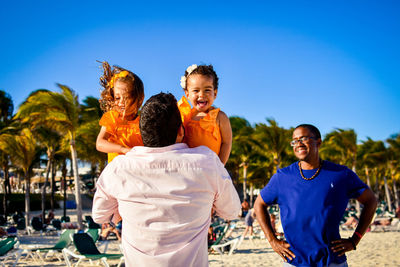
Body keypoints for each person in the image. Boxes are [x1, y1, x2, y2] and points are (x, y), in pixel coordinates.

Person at [92, 92, 241, 267]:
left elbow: (100, 215)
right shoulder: (207, 162)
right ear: (180, 131)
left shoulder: (119, 168)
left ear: (142, 132)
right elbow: (232, 211)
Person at [254, 124, 377, 267]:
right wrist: (272, 241)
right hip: (294, 261)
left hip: (332, 261)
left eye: (303, 138)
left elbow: (371, 200)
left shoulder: (341, 175)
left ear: (318, 142)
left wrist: (355, 239)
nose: (298, 144)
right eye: (294, 140)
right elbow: (259, 204)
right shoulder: (282, 177)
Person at [178, 64, 232, 165]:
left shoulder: (220, 117)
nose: (201, 94)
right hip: (188, 169)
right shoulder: (185, 116)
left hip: (212, 169)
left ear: (215, 93)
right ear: (187, 94)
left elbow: (227, 143)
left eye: (207, 90)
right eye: (196, 90)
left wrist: (220, 166)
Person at [96, 61, 145, 163]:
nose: (121, 102)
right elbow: (100, 143)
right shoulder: (112, 118)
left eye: (126, 98)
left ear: (140, 99)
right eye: (117, 98)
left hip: (138, 171)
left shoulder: (143, 122)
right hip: (117, 173)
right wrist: (123, 149)